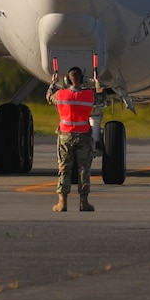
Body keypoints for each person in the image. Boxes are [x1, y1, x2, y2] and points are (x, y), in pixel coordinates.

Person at [48, 67, 96, 213]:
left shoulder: (61, 95)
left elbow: (49, 97)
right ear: (82, 80)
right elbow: (101, 98)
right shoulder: (88, 95)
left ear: (67, 80)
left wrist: (53, 83)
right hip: (83, 135)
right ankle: (84, 203)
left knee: (64, 168)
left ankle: (62, 203)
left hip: (65, 136)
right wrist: (96, 82)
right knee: (84, 169)